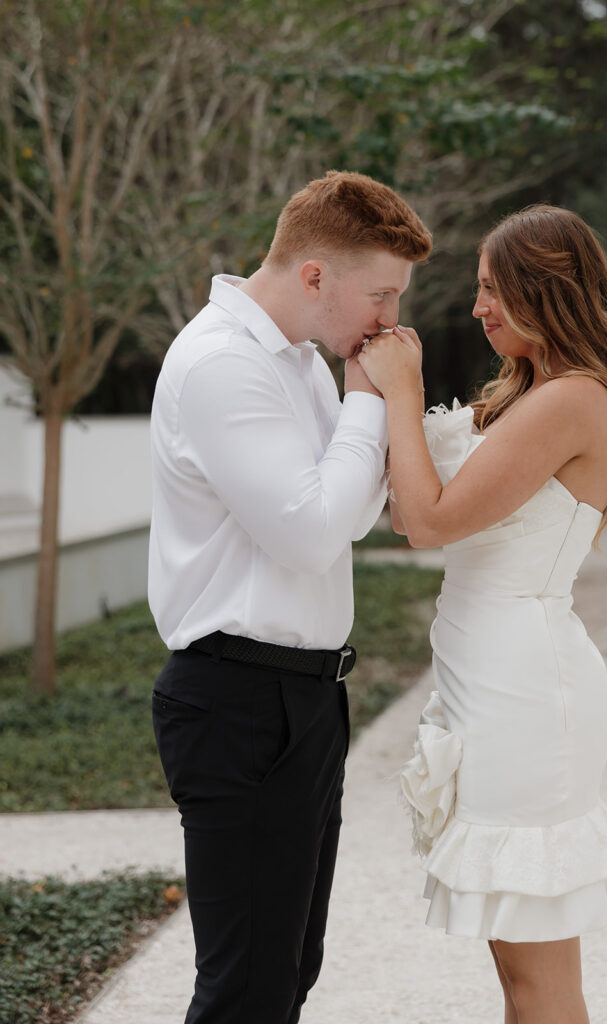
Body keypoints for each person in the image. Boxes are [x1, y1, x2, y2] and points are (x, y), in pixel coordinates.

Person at [358, 204, 607, 1024]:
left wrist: (405, 387)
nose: (477, 309)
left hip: (525, 696)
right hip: (488, 682)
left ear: (550, 291)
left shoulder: (571, 400)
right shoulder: (525, 395)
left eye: (492, 290)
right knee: (517, 974)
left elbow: (427, 523)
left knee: (536, 978)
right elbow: (409, 508)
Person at [148, 170, 432, 1024]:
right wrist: (366, 401)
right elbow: (314, 531)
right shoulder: (221, 365)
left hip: (303, 700)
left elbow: (359, 501)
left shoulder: (303, 362)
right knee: (245, 990)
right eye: (381, 293)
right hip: (237, 700)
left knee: (288, 971)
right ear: (315, 276)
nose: (389, 318)